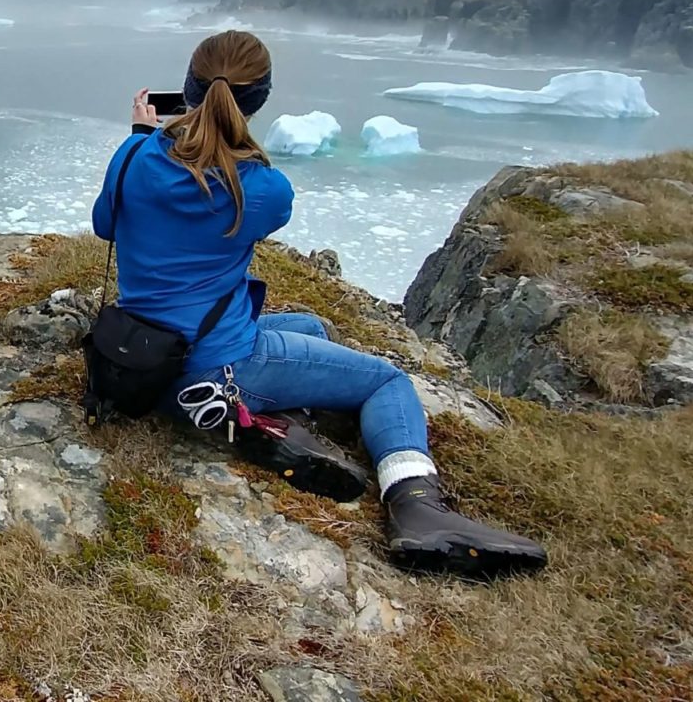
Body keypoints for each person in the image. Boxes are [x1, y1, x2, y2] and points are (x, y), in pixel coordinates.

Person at [91, 30, 546, 581]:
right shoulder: (261, 188)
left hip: (141, 357)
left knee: (312, 326)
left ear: (188, 88)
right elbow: (231, 207)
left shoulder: (135, 156)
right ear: (258, 100)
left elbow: (105, 225)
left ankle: (258, 420)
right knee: (387, 382)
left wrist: (143, 132)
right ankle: (415, 504)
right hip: (218, 358)